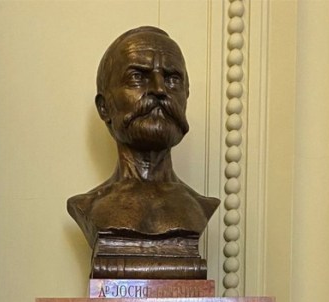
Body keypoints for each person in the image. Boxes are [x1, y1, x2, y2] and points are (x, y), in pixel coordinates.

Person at [67, 26, 220, 268]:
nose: (159, 89)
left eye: (172, 79)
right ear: (104, 107)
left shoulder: (201, 208)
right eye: (137, 77)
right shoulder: (87, 207)